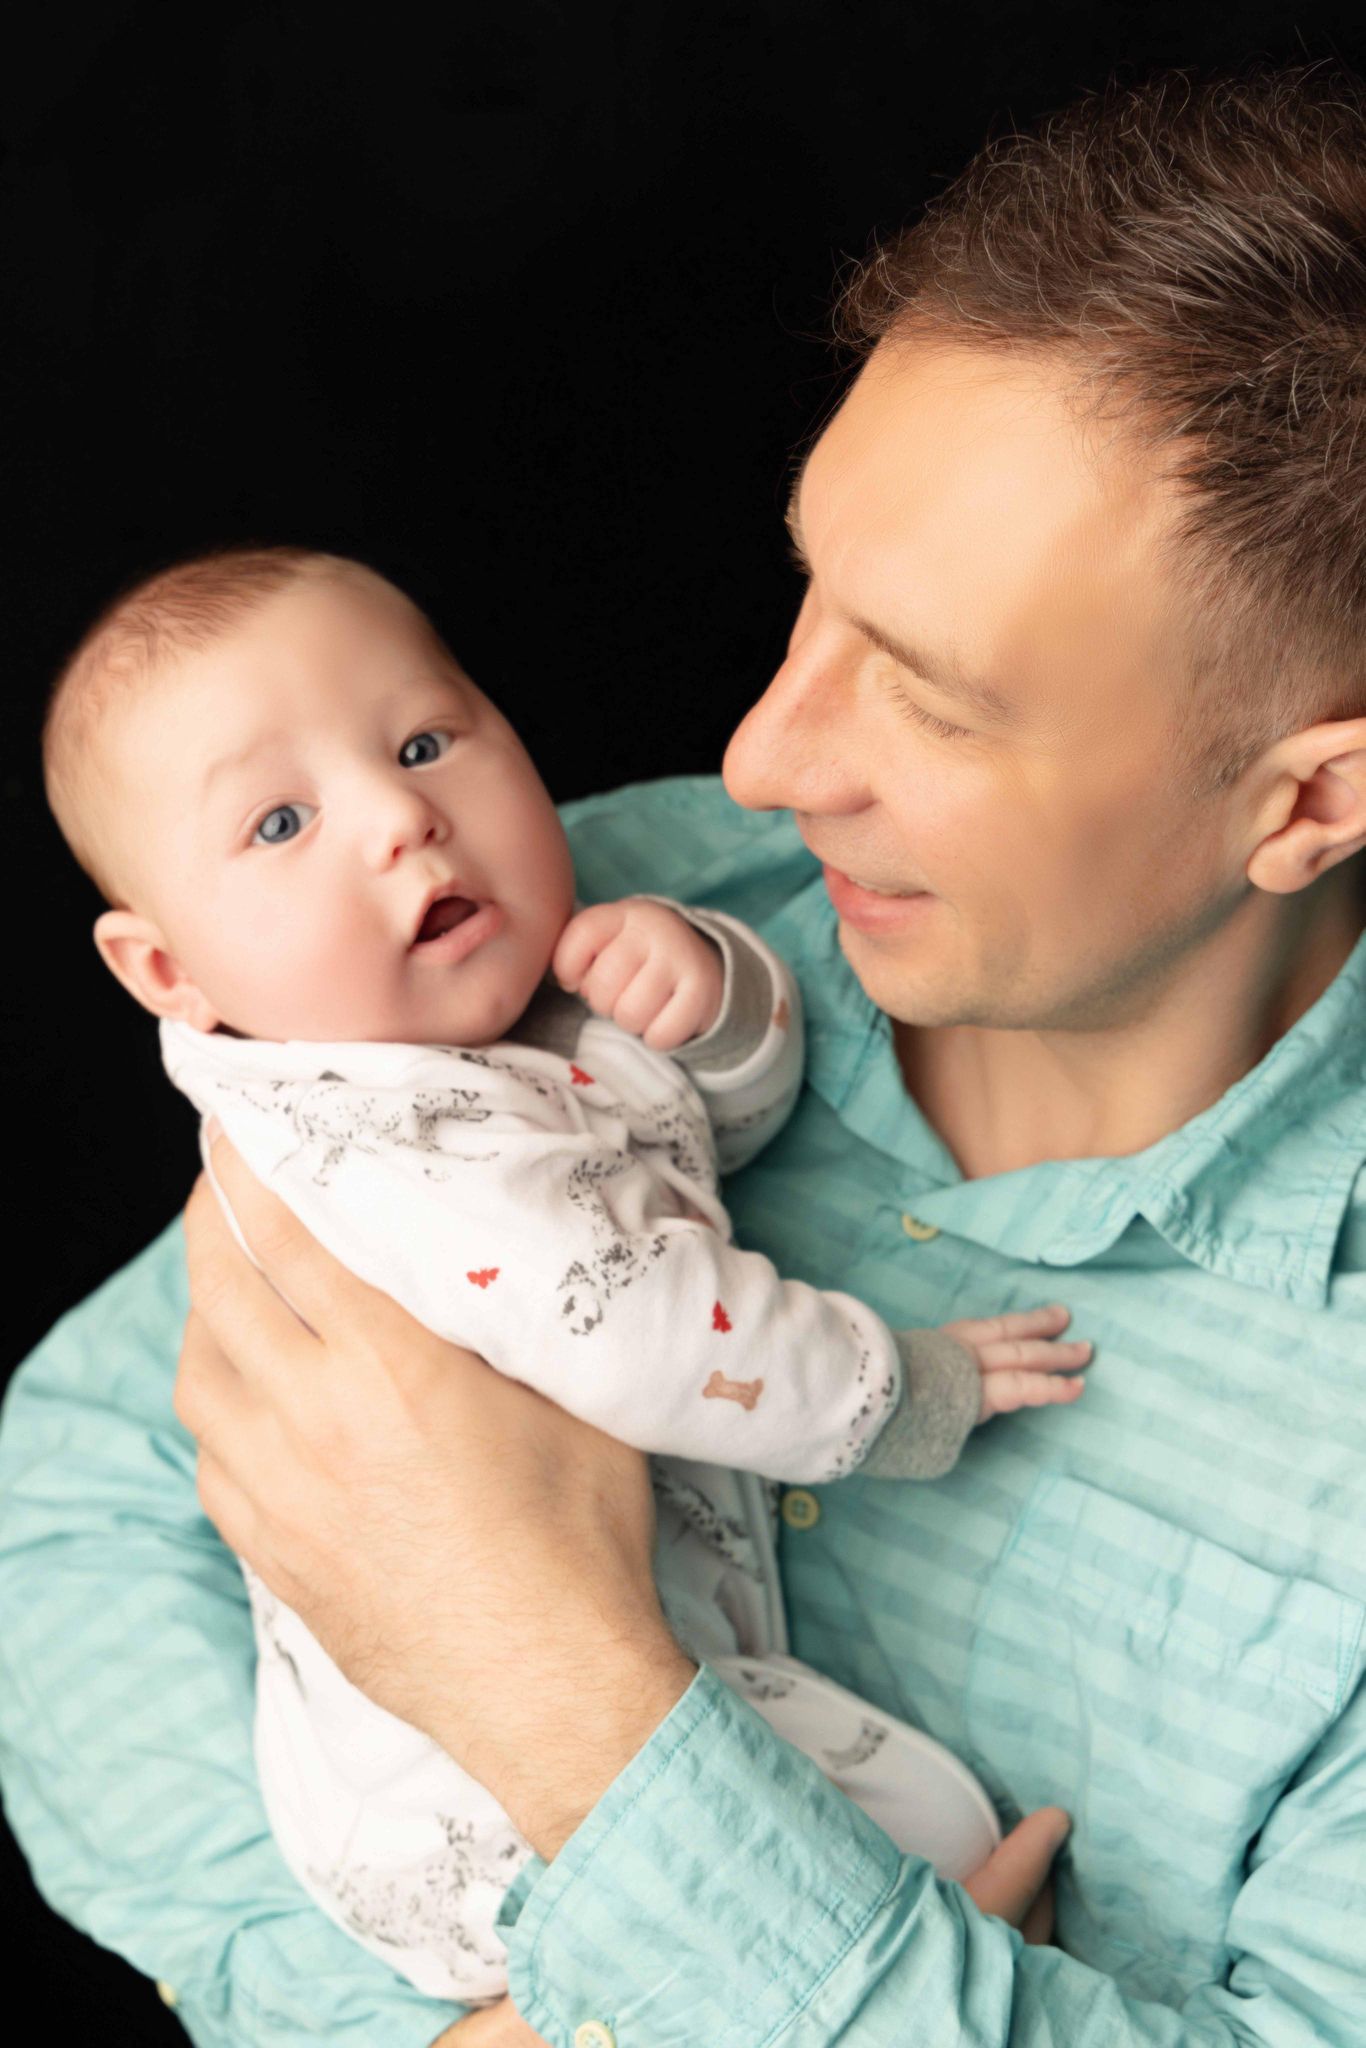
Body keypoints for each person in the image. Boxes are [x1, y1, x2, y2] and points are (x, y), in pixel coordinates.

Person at [5, 51, 1366, 2048]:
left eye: (927, 695)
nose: (758, 755)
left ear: (1306, 806)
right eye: (809, 587)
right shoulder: (610, 911)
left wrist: (553, 1688)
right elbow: (81, 1480)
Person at [35, 541, 1089, 2004]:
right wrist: (899, 1384)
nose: (401, 819)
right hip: (465, 1802)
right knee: (932, 1837)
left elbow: (682, 1143)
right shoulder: (383, 1147)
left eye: (421, 742)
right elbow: (641, 1332)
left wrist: (709, 1003)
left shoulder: (482, 1015)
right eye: (280, 823)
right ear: (168, 974)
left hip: (595, 1670)